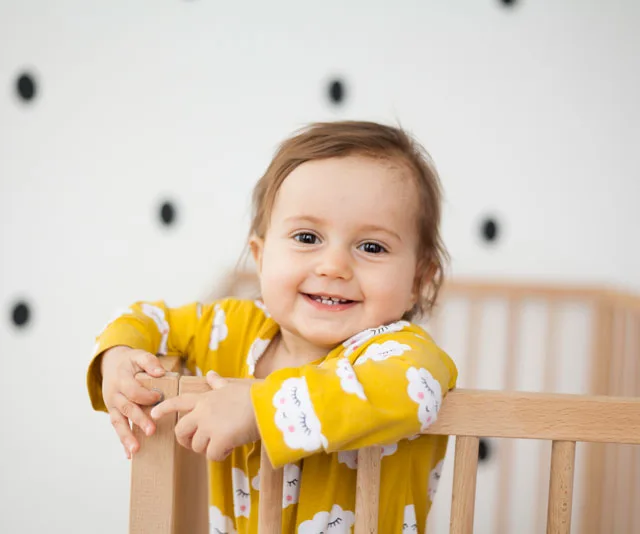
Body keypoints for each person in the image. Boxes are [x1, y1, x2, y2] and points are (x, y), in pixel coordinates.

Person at [86, 120, 458, 533]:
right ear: (261, 257)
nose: (333, 266)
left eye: (372, 246)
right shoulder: (231, 328)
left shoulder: (403, 354)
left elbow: (414, 392)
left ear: (418, 282)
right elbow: (151, 319)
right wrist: (117, 357)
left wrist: (262, 408)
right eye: (306, 237)